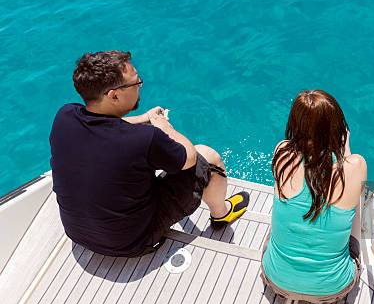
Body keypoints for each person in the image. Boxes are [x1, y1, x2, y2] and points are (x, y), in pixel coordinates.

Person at [49, 50, 249, 257]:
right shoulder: (144, 139)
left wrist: (144, 117)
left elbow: (106, 125)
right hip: (133, 241)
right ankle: (221, 215)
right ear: (114, 95)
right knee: (207, 156)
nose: (139, 87)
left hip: (79, 234)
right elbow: (189, 158)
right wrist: (164, 127)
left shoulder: (65, 115)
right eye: (136, 83)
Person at [261, 90, 367, 304]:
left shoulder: (282, 153)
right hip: (333, 289)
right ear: (338, 128)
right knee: (358, 203)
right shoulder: (355, 165)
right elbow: (346, 177)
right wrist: (345, 152)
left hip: (275, 280)